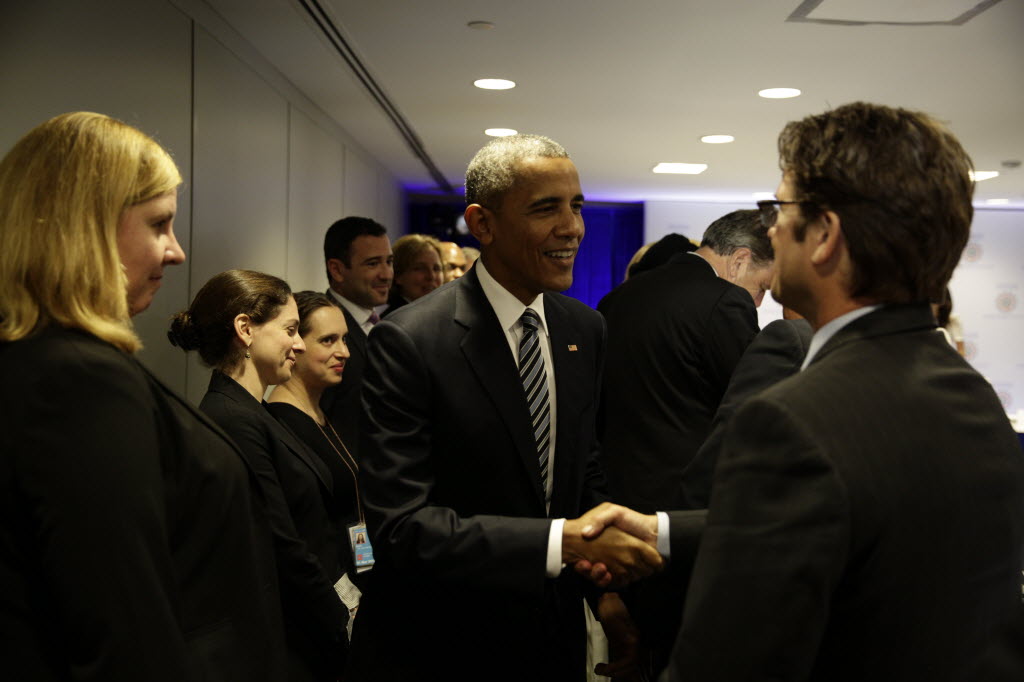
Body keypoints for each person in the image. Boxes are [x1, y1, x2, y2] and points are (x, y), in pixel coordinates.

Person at [591, 102, 1024, 682]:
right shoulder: (973, 397)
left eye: (779, 209)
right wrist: (663, 531)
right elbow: (851, 526)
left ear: (824, 236)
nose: (770, 228)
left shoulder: (791, 421)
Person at [347, 133, 661, 682]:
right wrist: (560, 542)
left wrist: (606, 593)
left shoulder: (583, 329)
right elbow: (402, 527)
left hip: (554, 640)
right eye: (546, 208)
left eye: (577, 206)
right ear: (483, 224)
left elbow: (580, 471)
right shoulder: (410, 340)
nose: (572, 227)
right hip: (441, 644)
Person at [0, 112, 285, 681]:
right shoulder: (80, 381)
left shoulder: (42, 361)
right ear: (85, 228)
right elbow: (124, 630)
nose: (176, 252)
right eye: (159, 224)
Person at [169, 270, 349, 681]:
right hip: (287, 640)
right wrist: (342, 616)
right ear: (246, 330)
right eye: (290, 330)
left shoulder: (251, 411)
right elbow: (282, 542)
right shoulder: (233, 417)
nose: (298, 344)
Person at [598, 209, 774, 514]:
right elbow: (750, 403)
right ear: (740, 260)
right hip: (681, 501)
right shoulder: (725, 301)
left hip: (610, 490)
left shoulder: (617, 297)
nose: (758, 302)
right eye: (762, 288)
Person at [266, 291, 365, 625]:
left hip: (354, 581)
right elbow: (304, 533)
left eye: (344, 339)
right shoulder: (282, 422)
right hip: (323, 603)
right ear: (296, 344)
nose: (344, 352)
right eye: (328, 340)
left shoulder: (322, 413)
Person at [321, 216, 393, 462]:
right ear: (337, 270)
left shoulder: (384, 324)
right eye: (373, 264)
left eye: (389, 262)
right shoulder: (318, 330)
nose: (386, 274)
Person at [382, 233, 444, 317]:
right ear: (398, 275)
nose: (431, 276)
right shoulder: (393, 321)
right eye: (420, 268)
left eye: (436, 269)